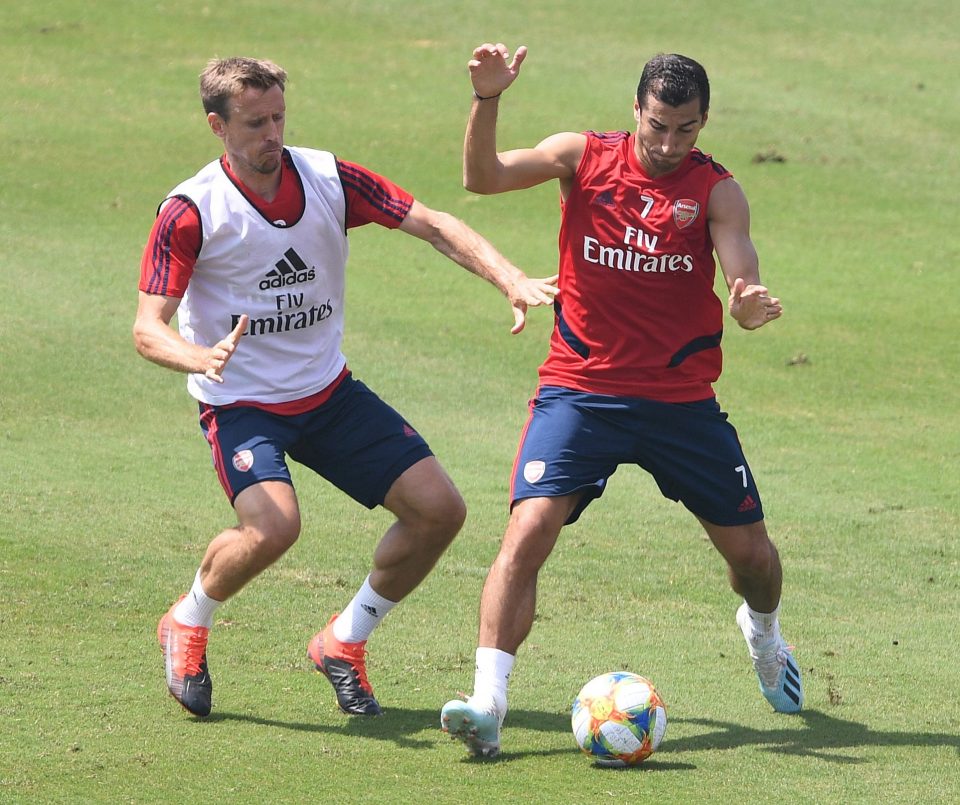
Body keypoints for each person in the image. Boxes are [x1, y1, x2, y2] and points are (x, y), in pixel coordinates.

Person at [134, 56, 558, 719]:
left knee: (439, 511)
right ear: (217, 126)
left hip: (328, 394)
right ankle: (188, 619)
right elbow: (145, 329)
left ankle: (343, 639)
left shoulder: (329, 178)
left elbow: (432, 221)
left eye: (278, 117)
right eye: (254, 123)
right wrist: (196, 354)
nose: (271, 134)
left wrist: (507, 276)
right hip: (242, 403)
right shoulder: (192, 211)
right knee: (274, 527)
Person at [441, 43, 802, 758]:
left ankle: (762, 633)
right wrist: (487, 101)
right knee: (526, 531)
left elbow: (742, 271)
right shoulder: (583, 157)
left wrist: (748, 301)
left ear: (704, 122)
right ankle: (488, 701)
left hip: (679, 400)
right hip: (581, 389)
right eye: (658, 126)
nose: (669, 145)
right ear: (635, 110)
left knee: (754, 560)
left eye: (687, 129)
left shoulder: (718, 191)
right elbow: (481, 179)